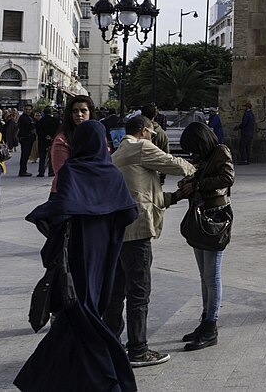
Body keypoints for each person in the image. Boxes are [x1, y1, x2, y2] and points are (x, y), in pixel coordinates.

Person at [13, 121, 139, 392]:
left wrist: (41, 213)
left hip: (79, 253)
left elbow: (62, 209)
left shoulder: (73, 170)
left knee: (80, 310)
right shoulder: (112, 174)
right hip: (106, 252)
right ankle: (53, 378)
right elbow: (128, 212)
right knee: (87, 309)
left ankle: (110, 376)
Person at [104, 115, 195, 366]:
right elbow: (173, 163)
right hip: (137, 232)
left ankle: (113, 345)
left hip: (120, 232)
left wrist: (176, 196)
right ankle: (138, 349)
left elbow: (146, 195)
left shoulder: (121, 153)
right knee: (139, 293)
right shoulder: (140, 146)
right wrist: (196, 169)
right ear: (145, 131)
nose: (154, 141)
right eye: (153, 135)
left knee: (117, 293)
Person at [175, 122, 235, 351]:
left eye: (193, 147)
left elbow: (227, 178)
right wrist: (189, 183)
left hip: (215, 218)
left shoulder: (221, 151)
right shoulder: (205, 157)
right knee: (204, 275)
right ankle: (205, 320)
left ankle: (212, 326)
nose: (192, 152)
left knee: (212, 276)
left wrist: (197, 184)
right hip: (201, 216)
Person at [48, 97, 95, 195]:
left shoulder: (97, 137)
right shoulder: (62, 140)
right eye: (75, 111)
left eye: (83, 111)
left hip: (92, 193)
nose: (79, 115)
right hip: (67, 193)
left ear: (90, 112)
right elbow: (62, 172)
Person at [35, 108, 60, 178]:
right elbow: (58, 130)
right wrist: (52, 137)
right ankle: (51, 172)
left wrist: (45, 136)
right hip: (53, 141)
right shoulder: (55, 121)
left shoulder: (40, 122)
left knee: (42, 157)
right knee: (52, 157)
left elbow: (38, 132)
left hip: (43, 141)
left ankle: (41, 172)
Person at [17, 108, 35, 176]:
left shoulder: (30, 117)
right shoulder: (23, 118)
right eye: (26, 109)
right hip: (25, 138)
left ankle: (24, 170)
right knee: (24, 155)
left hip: (29, 138)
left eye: (29, 109)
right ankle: (22, 171)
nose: (28, 111)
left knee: (26, 155)